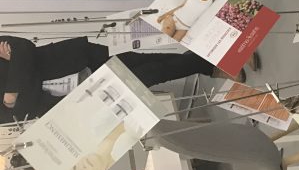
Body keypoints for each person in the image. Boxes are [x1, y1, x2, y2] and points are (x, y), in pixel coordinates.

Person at [0, 35, 218, 122]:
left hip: (79, 57)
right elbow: (23, 112)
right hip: (83, 94)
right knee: (149, 75)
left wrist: (14, 92)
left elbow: (23, 47)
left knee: (143, 60)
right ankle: (209, 60)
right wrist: (18, 70)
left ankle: (206, 61)